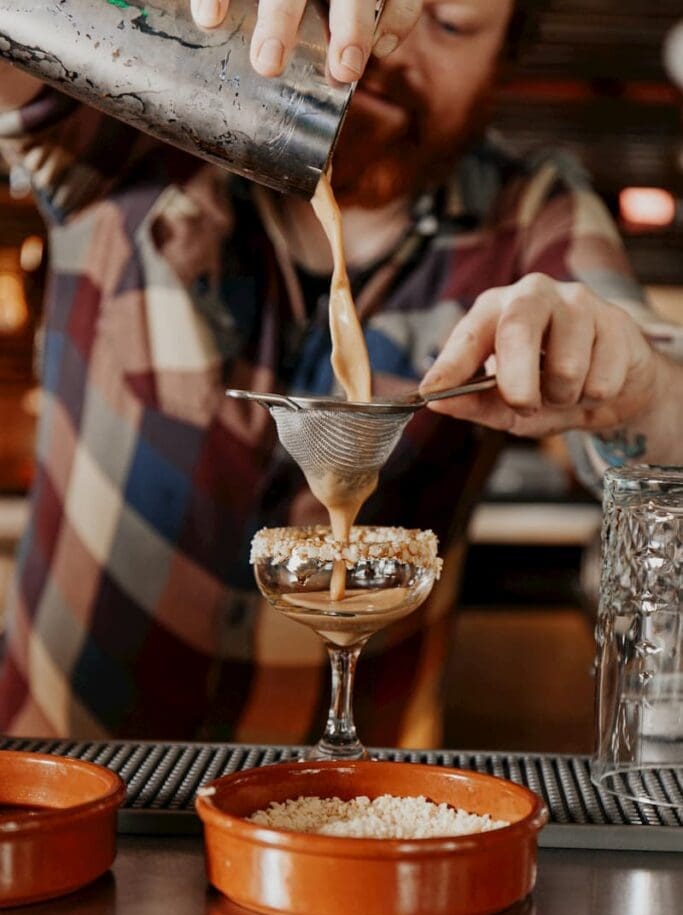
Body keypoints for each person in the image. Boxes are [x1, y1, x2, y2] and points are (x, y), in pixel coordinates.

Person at [0, 0, 681, 744]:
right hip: (60, 780)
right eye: (366, 6)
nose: (388, 46)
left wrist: (636, 380)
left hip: (352, 814)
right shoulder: (147, 106)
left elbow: (659, 389)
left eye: (450, 23)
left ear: (501, 62)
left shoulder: (527, 214)